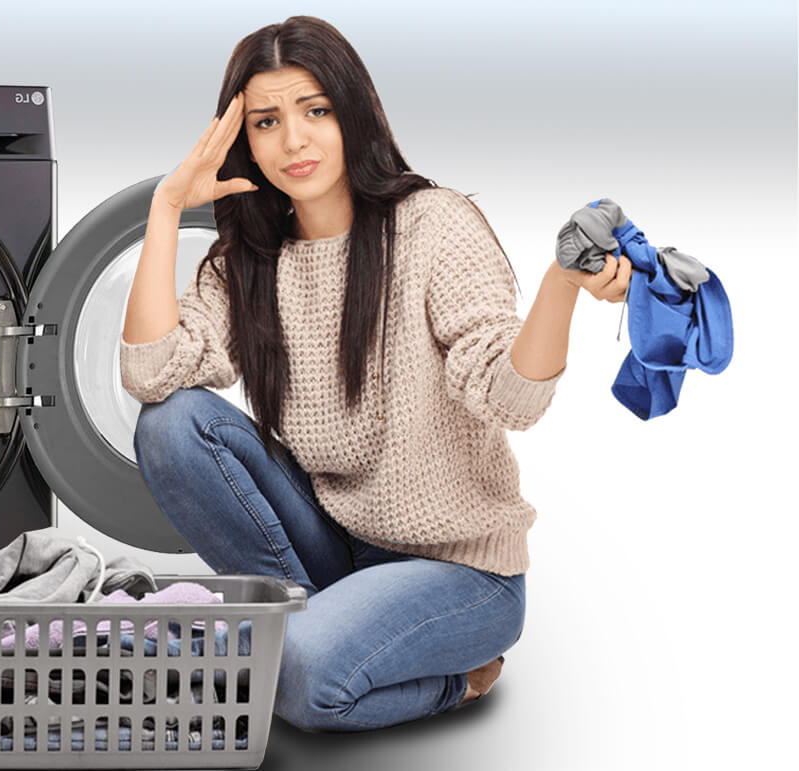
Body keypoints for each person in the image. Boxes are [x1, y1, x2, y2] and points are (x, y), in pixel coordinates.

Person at [118, 15, 631, 733]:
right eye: (266, 121)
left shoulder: (431, 224)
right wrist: (167, 206)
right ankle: (314, 624)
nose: (293, 140)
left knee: (294, 674)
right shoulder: (248, 262)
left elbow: (511, 399)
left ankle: (454, 678)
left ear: (351, 112)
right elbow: (150, 373)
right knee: (170, 424)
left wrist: (561, 284)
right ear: (245, 140)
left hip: (461, 573)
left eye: (315, 110)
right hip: (334, 549)